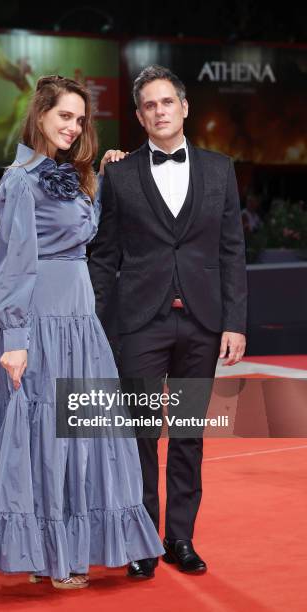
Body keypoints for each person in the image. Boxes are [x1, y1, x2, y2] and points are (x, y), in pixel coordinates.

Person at [0, 75, 164, 592]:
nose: (72, 127)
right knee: (42, 436)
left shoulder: (71, 176)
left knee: (80, 435)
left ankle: (70, 550)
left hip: (80, 321)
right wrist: (16, 338)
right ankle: (44, 554)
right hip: (40, 322)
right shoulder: (20, 181)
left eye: (79, 118)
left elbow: (82, 237)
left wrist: (102, 173)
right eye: (63, 116)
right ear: (40, 115)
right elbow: (12, 266)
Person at [88, 65, 247, 578]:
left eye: (166, 102)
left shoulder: (221, 169)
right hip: (137, 321)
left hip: (202, 323)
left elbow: (231, 251)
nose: (159, 111)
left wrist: (235, 322)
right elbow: (103, 256)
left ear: (184, 108)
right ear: (138, 116)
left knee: (187, 436)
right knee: (137, 435)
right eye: (148, 105)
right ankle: (140, 541)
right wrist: (95, 323)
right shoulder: (119, 172)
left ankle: (180, 538)